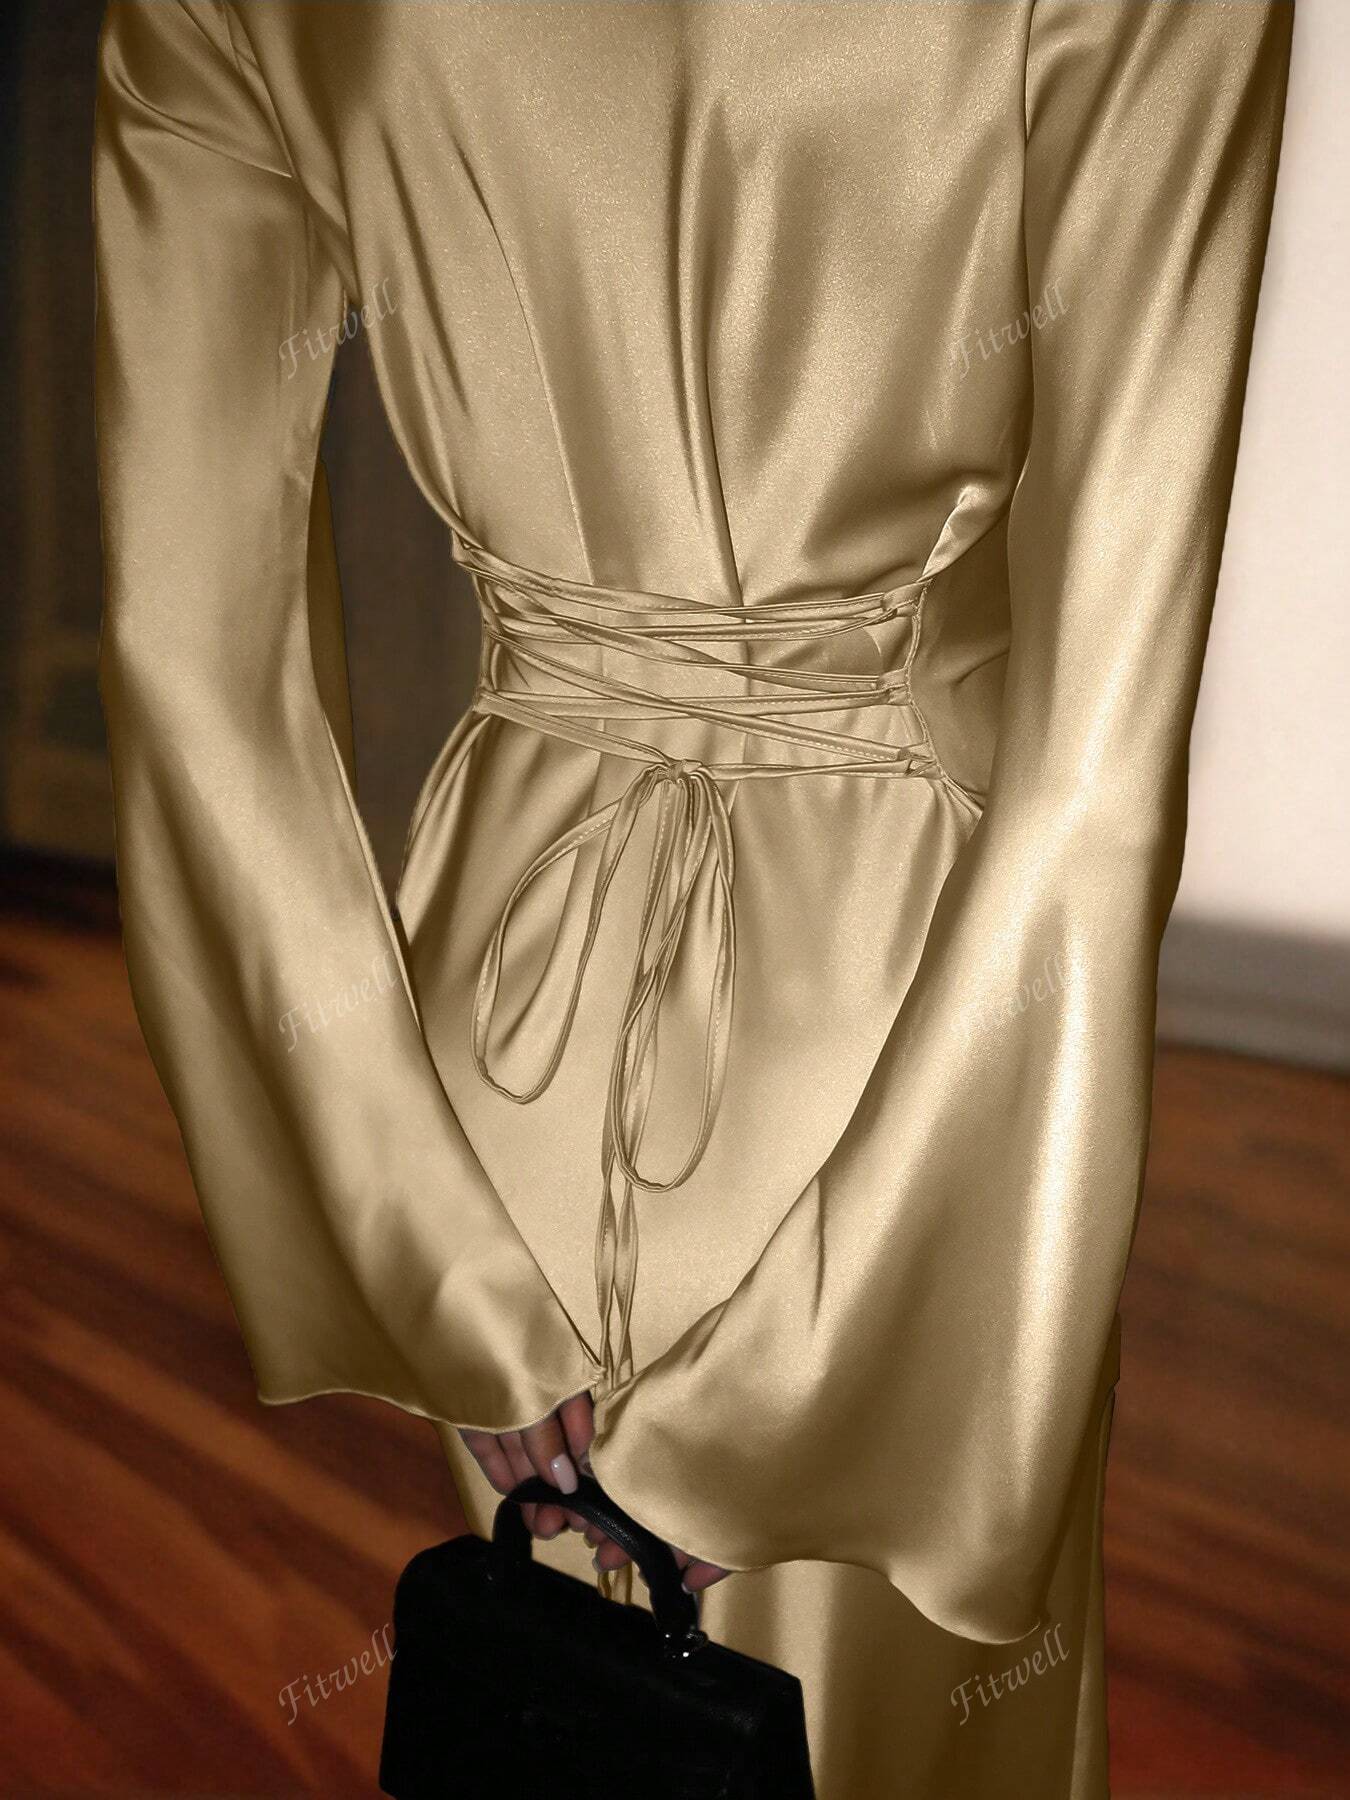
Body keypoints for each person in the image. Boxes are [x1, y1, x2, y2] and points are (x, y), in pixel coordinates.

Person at [91, 2, 1294, 1793]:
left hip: (496, 1038)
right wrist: (823, 1406)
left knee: (569, 1724)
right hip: (912, 1042)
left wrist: (420, 1254)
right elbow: (1094, 770)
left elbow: (189, 662)